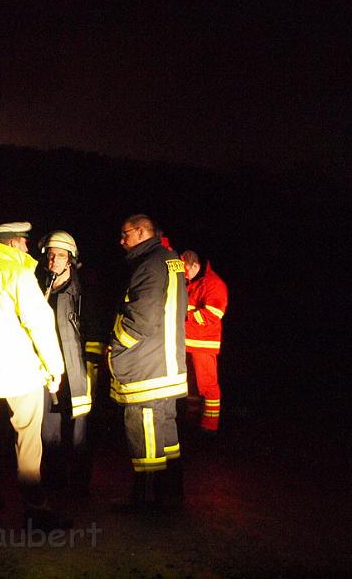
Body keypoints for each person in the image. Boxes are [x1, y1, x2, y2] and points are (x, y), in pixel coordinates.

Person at [0, 221, 65, 525]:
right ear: (11, 244)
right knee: (28, 441)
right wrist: (54, 368)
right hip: (22, 372)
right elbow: (40, 324)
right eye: (23, 242)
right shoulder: (18, 274)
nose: (26, 247)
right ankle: (35, 509)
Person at [109, 214, 188, 511]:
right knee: (166, 431)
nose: (121, 241)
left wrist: (117, 346)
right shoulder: (170, 259)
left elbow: (140, 319)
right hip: (167, 365)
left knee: (144, 432)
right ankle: (172, 490)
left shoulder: (148, 265)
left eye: (125, 234)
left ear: (141, 232)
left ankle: (147, 498)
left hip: (147, 368)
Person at [37, 230, 102, 495]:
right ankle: (53, 480)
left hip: (78, 369)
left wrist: (91, 368)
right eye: (50, 255)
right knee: (48, 427)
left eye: (60, 256)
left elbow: (94, 330)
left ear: (71, 259)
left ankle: (79, 484)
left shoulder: (84, 290)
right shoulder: (39, 287)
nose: (54, 260)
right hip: (47, 370)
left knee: (79, 429)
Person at [182, 250, 228, 434]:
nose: (183, 274)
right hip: (187, 343)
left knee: (207, 385)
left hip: (203, 344)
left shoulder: (213, 284)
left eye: (185, 269)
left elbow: (214, 314)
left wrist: (183, 316)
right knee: (191, 386)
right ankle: (192, 422)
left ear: (195, 265)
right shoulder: (192, 284)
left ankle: (210, 425)